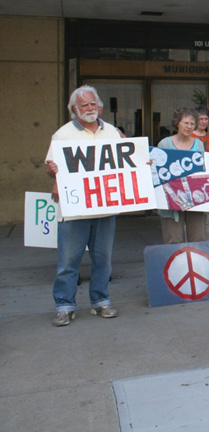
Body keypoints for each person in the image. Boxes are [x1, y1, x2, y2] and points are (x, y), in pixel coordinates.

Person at [44, 85, 120, 326]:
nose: (89, 108)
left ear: (99, 106)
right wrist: (52, 173)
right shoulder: (63, 134)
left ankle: (101, 302)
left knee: (103, 260)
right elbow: (51, 166)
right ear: (74, 110)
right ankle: (64, 305)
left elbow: (128, 162)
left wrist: (141, 161)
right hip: (74, 211)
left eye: (92, 104)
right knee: (68, 262)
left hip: (105, 209)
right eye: (83, 105)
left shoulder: (113, 132)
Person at [157, 108, 208, 244]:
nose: (189, 126)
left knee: (198, 240)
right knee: (173, 241)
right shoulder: (164, 144)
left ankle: (196, 266)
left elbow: (205, 170)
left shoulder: (199, 145)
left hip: (195, 199)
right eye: (185, 123)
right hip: (171, 201)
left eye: (192, 124)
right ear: (177, 123)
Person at [192, 106, 209, 241]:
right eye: (200, 119)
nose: (203, 122)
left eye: (206, 119)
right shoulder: (189, 137)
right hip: (193, 181)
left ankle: (208, 245)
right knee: (194, 218)